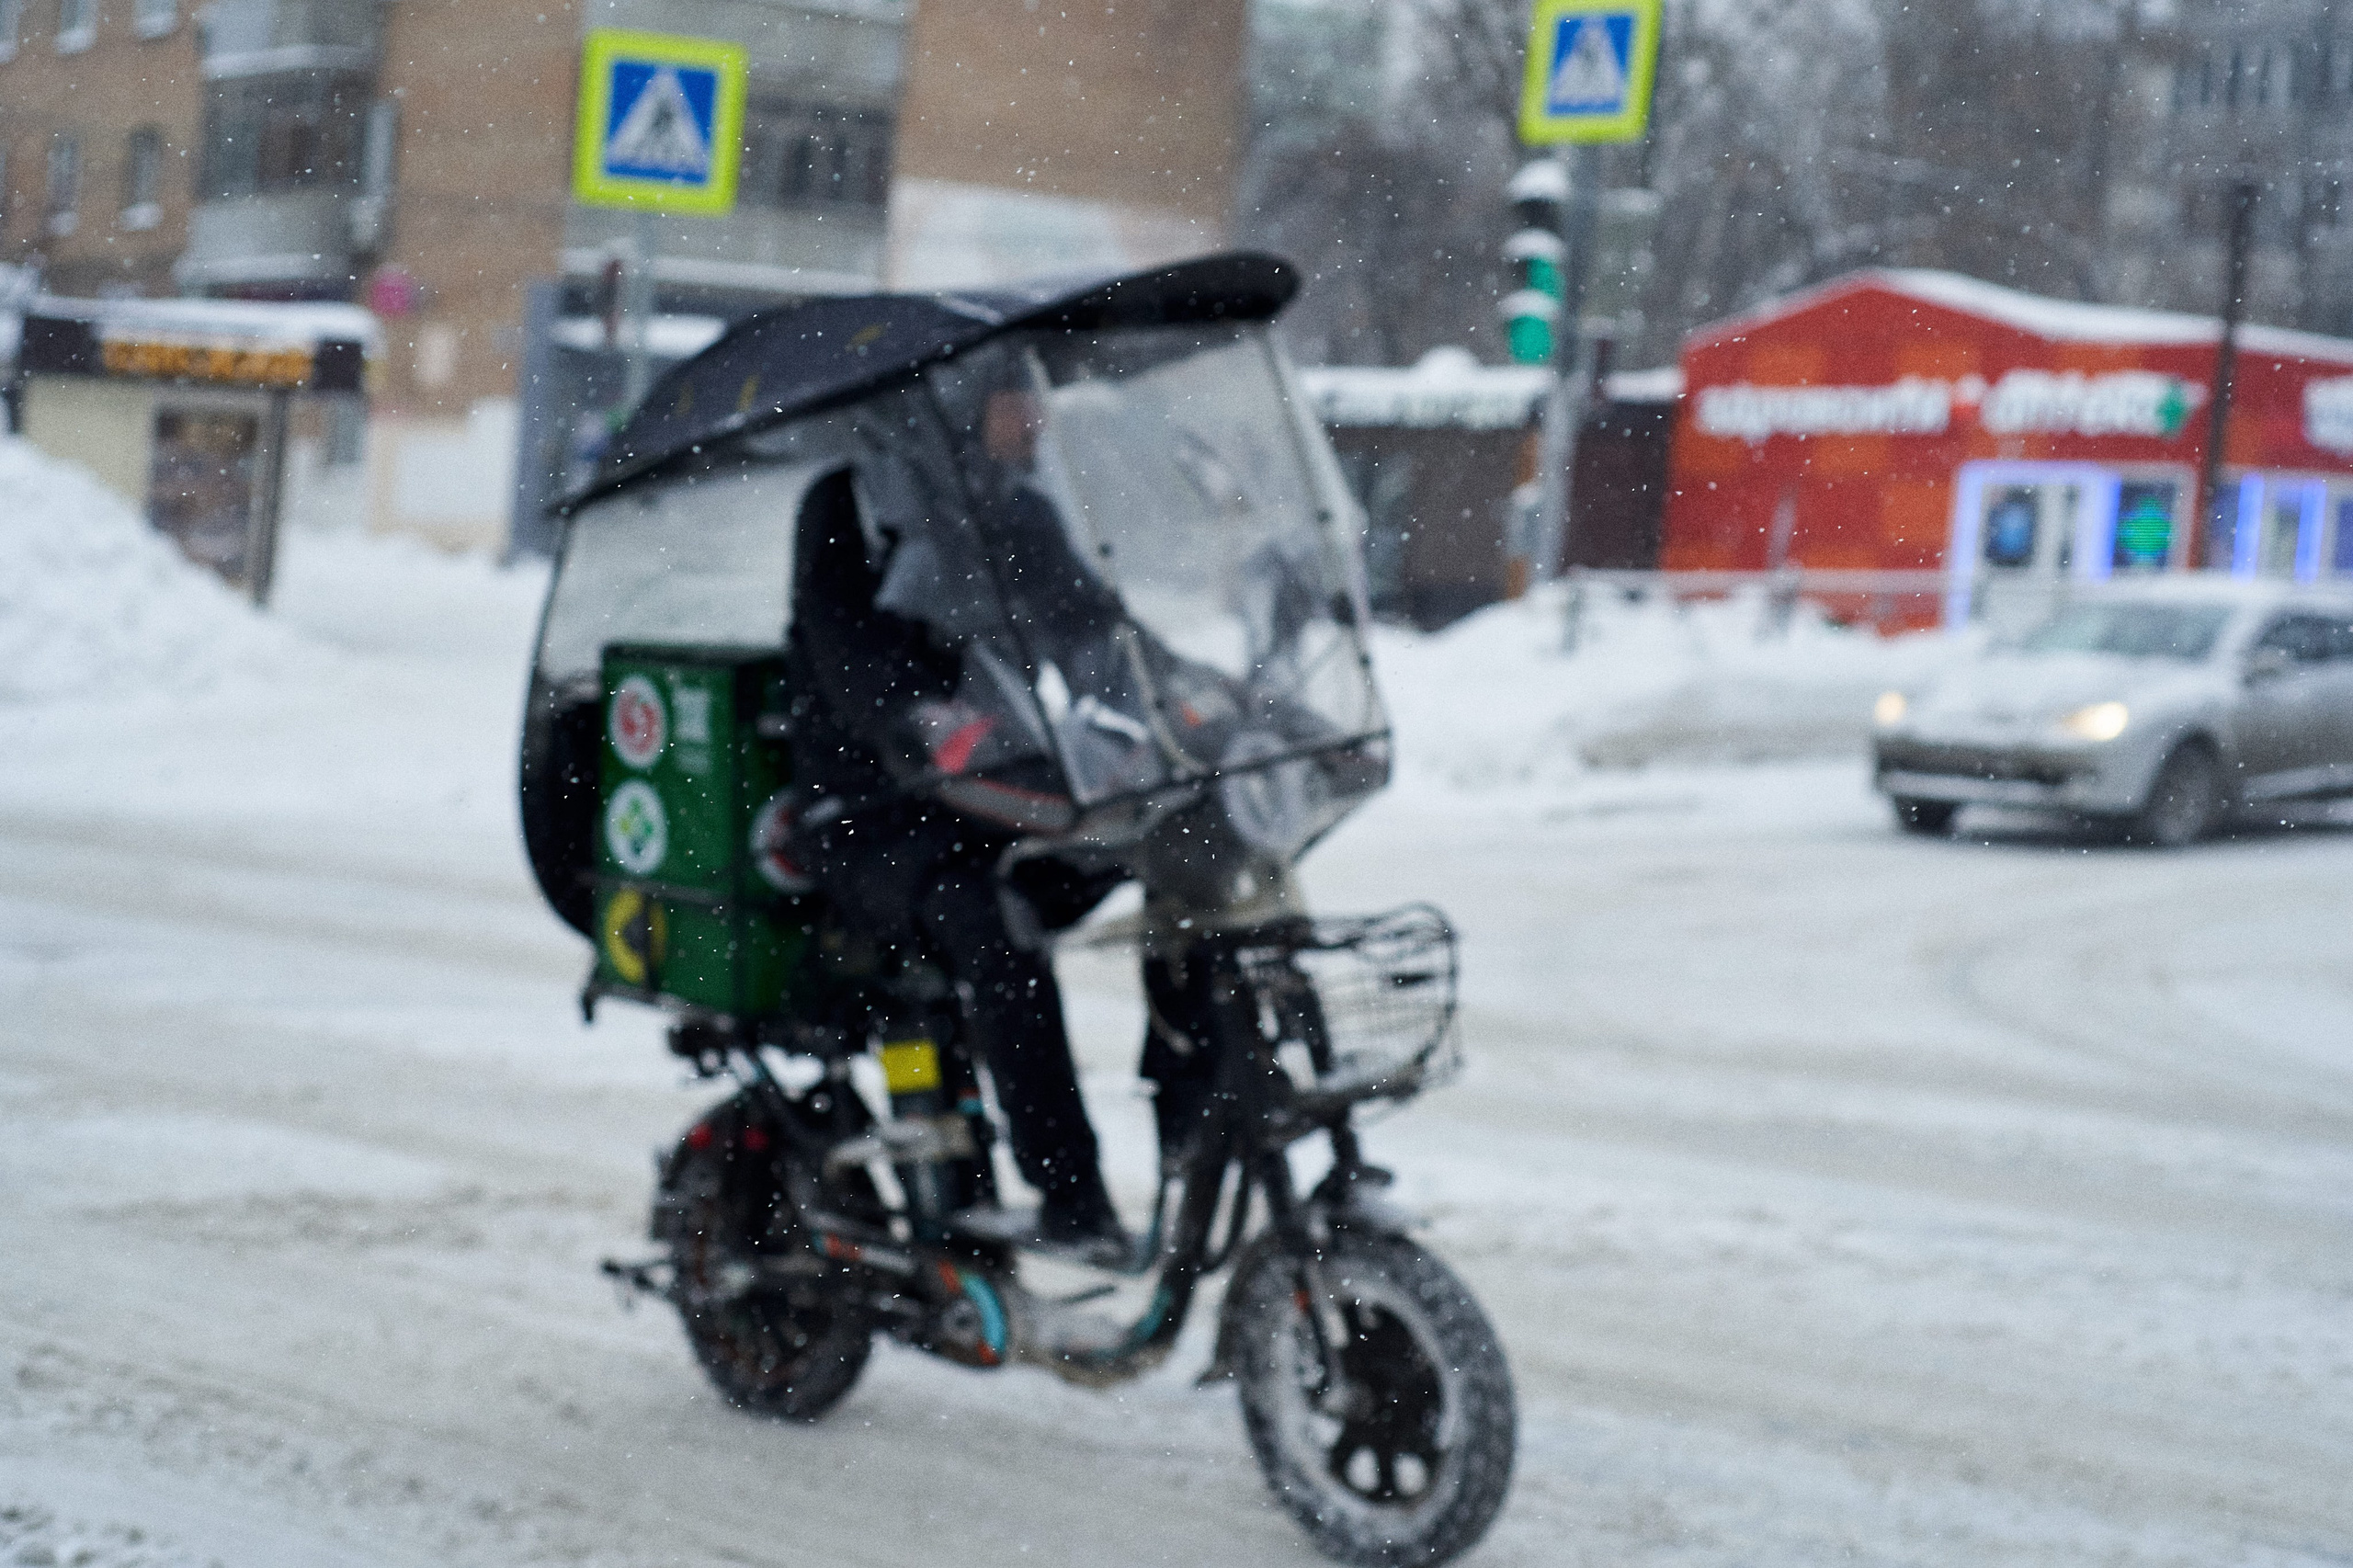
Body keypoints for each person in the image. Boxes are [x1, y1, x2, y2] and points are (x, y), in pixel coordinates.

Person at [782, 394, 1127, 1253]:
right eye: (1017, 397)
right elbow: (844, 651)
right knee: (996, 921)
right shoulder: (849, 506)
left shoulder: (1015, 511)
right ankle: (1070, 1197)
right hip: (870, 811)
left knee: (1173, 865)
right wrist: (922, 716)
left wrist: (1182, 693)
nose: (1036, 419)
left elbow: (1091, 630)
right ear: (955, 404)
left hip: (993, 796)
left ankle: (1210, 1126)